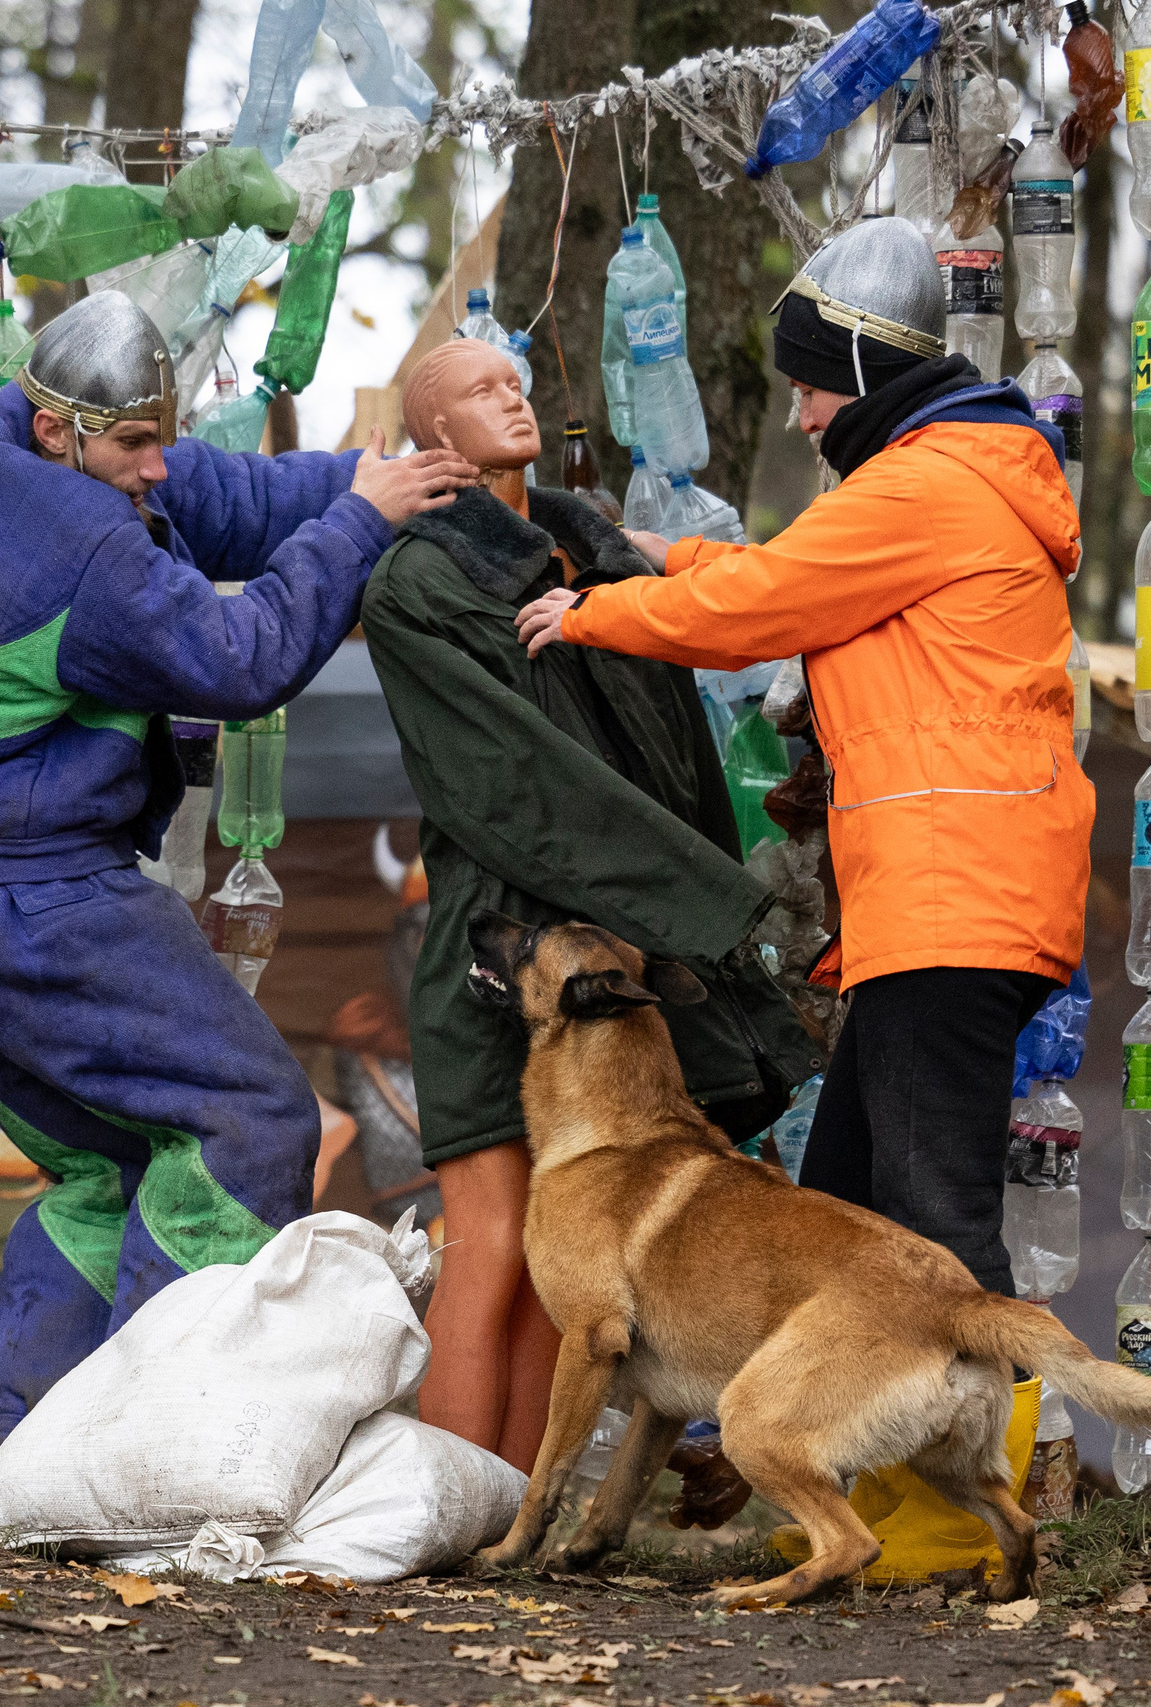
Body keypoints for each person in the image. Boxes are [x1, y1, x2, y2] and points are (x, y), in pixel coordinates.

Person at [0, 290, 477, 1452]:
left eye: (158, 438)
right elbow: (239, 660)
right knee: (245, 1117)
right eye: (134, 446)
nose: (156, 468)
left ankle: (35, 1469)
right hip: (30, 896)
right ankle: (156, 1448)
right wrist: (356, 524)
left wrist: (381, 474)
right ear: (64, 434)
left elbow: (218, 494)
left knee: (106, 1168)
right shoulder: (81, 548)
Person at [518, 216, 1092, 1297]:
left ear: (863, 371)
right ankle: (860, 1462)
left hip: (950, 903)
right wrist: (656, 551)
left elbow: (761, 605)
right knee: (844, 1217)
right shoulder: (945, 473)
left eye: (810, 387)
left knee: (932, 1241)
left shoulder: (927, 484)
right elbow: (794, 572)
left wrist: (593, 608)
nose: (799, 411)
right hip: (938, 904)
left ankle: (974, 1464)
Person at [362, 338, 821, 1471]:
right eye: (477, 390)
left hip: (617, 955)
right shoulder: (419, 582)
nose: (509, 397)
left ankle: (509, 1508)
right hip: (501, 949)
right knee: (486, 1251)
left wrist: (712, 926)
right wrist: (714, 905)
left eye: (514, 381)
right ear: (433, 436)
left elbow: (680, 766)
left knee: (555, 1275)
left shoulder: (605, 560)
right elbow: (514, 781)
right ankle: (434, 1516)